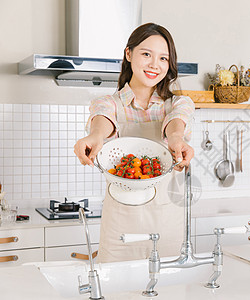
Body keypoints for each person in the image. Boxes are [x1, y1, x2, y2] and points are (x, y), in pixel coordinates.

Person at [73, 23, 195, 263]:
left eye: (163, 58)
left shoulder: (179, 103)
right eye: (146, 54)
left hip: (167, 219)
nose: (154, 64)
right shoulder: (108, 102)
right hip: (121, 220)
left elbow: (175, 124)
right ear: (129, 54)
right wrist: (95, 137)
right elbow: (103, 119)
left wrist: (176, 139)